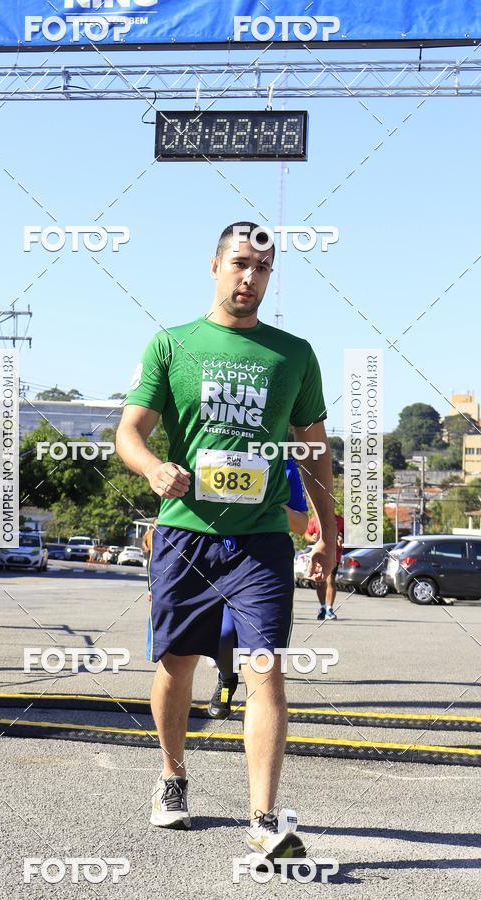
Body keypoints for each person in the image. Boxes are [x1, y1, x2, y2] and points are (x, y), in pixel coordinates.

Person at [116, 222, 337, 861]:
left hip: (261, 541)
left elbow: (315, 452)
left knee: (266, 670)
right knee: (176, 664)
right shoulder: (172, 344)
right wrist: (153, 468)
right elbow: (129, 432)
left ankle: (264, 819)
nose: (249, 278)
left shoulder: (294, 354)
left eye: (262, 269)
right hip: (184, 536)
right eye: (240, 263)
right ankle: (172, 776)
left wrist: (328, 533)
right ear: (214, 266)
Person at [208, 456, 309, 718]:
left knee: (263, 655)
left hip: (261, 564)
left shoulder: (284, 464)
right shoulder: (217, 453)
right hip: (215, 559)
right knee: (222, 635)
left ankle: (260, 705)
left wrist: (271, 501)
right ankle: (226, 681)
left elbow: (301, 524)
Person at [304, 512, 345, 620]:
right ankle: (323, 607)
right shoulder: (314, 520)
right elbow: (307, 534)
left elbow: (345, 534)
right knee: (320, 581)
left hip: (334, 554)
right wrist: (311, 538)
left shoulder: (340, 520)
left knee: (330, 579)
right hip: (318, 554)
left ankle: (329, 609)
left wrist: (341, 538)